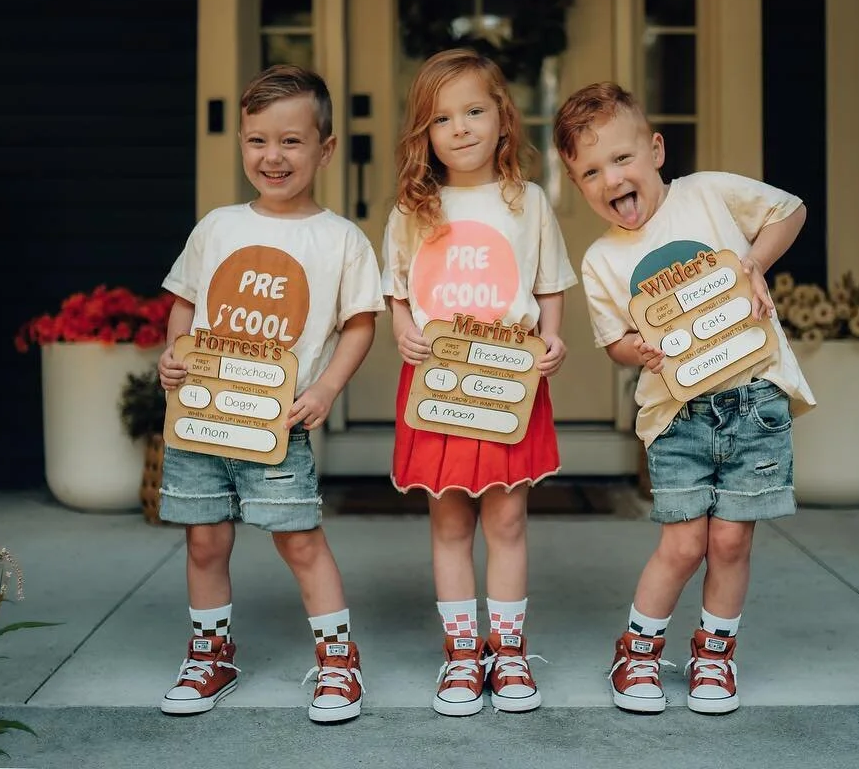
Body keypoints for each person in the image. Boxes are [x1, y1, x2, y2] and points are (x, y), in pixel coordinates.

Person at [553, 81, 815, 715]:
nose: (611, 179)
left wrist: (752, 264)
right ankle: (639, 650)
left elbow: (791, 210)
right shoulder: (601, 260)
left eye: (622, 159)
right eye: (590, 171)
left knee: (730, 541)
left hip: (752, 397)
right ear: (576, 182)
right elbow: (614, 339)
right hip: (677, 416)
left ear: (656, 151)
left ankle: (714, 654)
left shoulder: (705, 194)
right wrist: (635, 350)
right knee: (683, 542)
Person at [155, 64, 384, 723]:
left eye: (291, 141)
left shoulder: (340, 240)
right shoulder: (218, 226)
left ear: (325, 148)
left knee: (299, 539)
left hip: (279, 422)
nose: (273, 156)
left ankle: (338, 659)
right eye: (258, 141)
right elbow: (184, 304)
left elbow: (360, 324)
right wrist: (174, 355)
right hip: (203, 422)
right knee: (204, 541)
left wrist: (328, 388)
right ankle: (211, 653)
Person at [382, 48, 577, 716]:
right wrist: (402, 328)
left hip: (507, 385)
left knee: (508, 517)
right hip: (439, 384)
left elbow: (549, 282)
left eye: (473, 110)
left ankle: (510, 649)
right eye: (441, 118)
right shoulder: (415, 208)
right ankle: (463, 654)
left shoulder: (527, 203)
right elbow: (398, 291)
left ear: (502, 118)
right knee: (448, 521)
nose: (459, 127)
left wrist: (552, 335)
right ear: (424, 134)